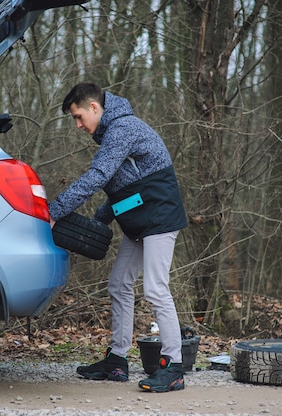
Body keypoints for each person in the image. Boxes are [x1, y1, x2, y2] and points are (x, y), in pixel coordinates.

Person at [48, 82, 187, 392]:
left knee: (155, 288)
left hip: (159, 219)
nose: (79, 125)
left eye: (78, 117)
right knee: (118, 284)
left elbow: (98, 176)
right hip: (140, 222)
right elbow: (125, 187)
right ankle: (117, 361)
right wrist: (99, 221)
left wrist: (54, 211)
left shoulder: (123, 128)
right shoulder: (113, 133)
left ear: (95, 108)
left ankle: (174, 366)